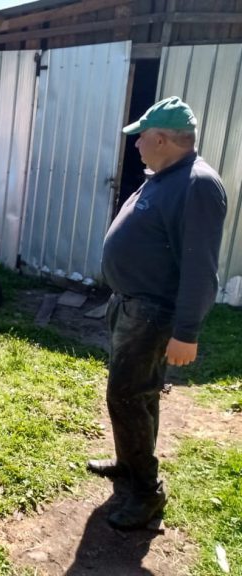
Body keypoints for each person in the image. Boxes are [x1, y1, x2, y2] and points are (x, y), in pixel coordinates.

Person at [89, 97, 227, 529]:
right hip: (130, 306)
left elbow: (200, 267)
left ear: (162, 139)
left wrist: (186, 331)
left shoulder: (197, 185)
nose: (135, 147)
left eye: (141, 138)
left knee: (127, 396)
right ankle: (130, 465)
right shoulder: (165, 176)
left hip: (152, 313)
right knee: (138, 394)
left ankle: (147, 494)